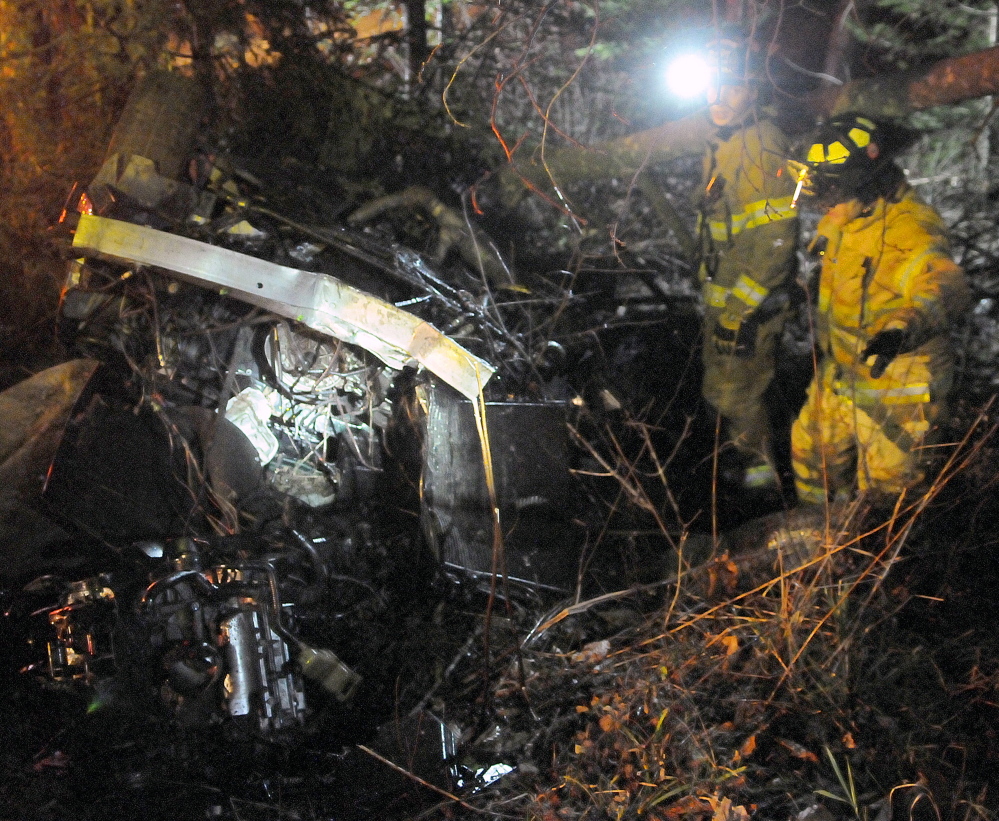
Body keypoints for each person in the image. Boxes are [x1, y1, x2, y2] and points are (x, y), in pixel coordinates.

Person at [497, 27, 800, 503]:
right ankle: (738, 478)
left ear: (753, 89)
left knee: (737, 394)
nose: (716, 96)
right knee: (724, 389)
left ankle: (760, 494)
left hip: (750, 303)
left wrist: (739, 306)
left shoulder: (762, 145)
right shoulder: (725, 140)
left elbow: (775, 241)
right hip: (730, 297)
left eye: (730, 86)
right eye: (711, 86)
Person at [788, 113, 970, 509]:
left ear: (864, 186)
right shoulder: (847, 217)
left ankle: (874, 561)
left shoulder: (911, 229)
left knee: (889, 500)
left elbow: (945, 285)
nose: (821, 209)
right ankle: (816, 544)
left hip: (898, 385)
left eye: (829, 198)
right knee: (811, 455)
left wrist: (903, 327)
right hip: (843, 370)